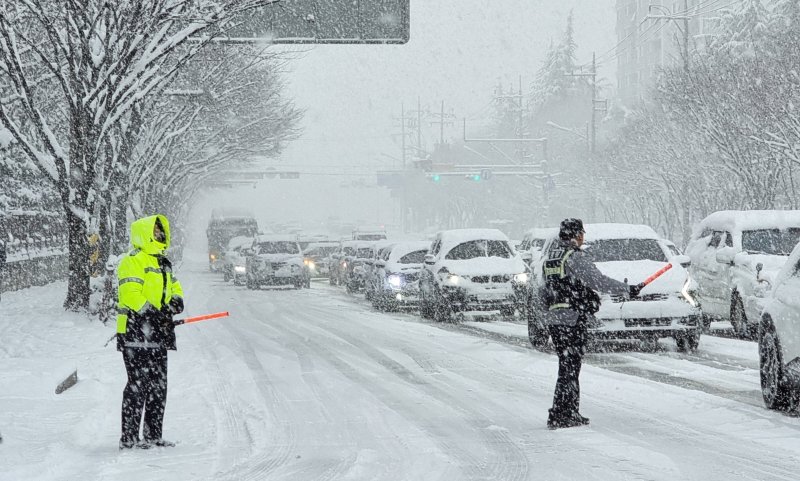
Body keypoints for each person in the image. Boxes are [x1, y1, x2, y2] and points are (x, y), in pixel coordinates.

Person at [541, 218, 642, 429]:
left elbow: (545, 290)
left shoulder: (552, 257)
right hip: (571, 319)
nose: (582, 238)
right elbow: (598, 281)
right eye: (581, 234)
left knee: (566, 366)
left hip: (555, 318)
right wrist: (627, 289)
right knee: (571, 367)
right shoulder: (575, 257)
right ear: (577, 235)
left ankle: (561, 411)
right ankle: (564, 413)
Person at [116, 215, 184, 449]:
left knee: (158, 386)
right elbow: (131, 294)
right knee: (137, 385)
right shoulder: (132, 261)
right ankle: (129, 438)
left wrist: (175, 302)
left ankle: (153, 435)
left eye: (160, 231)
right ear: (144, 233)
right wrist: (154, 315)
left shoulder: (163, 262)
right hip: (135, 333)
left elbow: (174, 286)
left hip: (158, 334)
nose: (159, 234)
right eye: (155, 231)